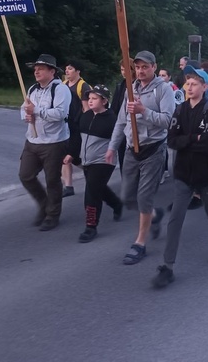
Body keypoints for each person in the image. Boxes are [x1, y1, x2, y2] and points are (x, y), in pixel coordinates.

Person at [151, 66, 208, 288]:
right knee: (175, 218)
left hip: (206, 172)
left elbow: (207, 145)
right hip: (183, 173)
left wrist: (186, 140)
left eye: (195, 83)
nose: (189, 86)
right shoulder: (180, 110)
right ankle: (167, 267)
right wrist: (193, 137)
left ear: (205, 86)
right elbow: (171, 140)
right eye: (187, 82)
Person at [106, 51, 175, 265]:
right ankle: (154, 215)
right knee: (127, 197)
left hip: (153, 149)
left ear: (154, 67)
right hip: (130, 150)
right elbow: (121, 121)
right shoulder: (130, 89)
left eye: (145, 67)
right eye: (138, 67)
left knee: (144, 197)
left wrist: (143, 110)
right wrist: (111, 147)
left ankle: (140, 243)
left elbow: (168, 121)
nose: (141, 71)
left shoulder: (163, 90)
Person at [19, 54, 72, 231]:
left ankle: (52, 215)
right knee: (25, 175)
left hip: (54, 142)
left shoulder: (60, 89)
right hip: (32, 140)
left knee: (52, 180)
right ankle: (44, 204)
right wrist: (26, 115)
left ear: (52, 71)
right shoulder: (33, 89)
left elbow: (60, 114)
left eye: (40, 68)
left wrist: (37, 111)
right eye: (35, 69)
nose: (36, 71)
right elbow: (23, 108)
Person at [65, 85, 123, 243]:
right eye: (89, 98)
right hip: (87, 160)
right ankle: (117, 204)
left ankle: (91, 226)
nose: (90, 101)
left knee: (91, 191)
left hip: (104, 161)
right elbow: (77, 136)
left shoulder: (112, 120)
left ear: (104, 101)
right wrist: (71, 153)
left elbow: (121, 139)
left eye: (94, 98)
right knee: (98, 188)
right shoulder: (86, 116)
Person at [61, 60, 91, 198]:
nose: (67, 71)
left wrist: (87, 128)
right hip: (66, 126)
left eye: (70, 69)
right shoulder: (63, 85)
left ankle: (92, 174)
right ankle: (68, 186)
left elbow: (87, 109)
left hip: (78, 127)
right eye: (66, 69)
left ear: (78, 71)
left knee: (75, 157)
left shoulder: (83, 86)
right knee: (66, 156)